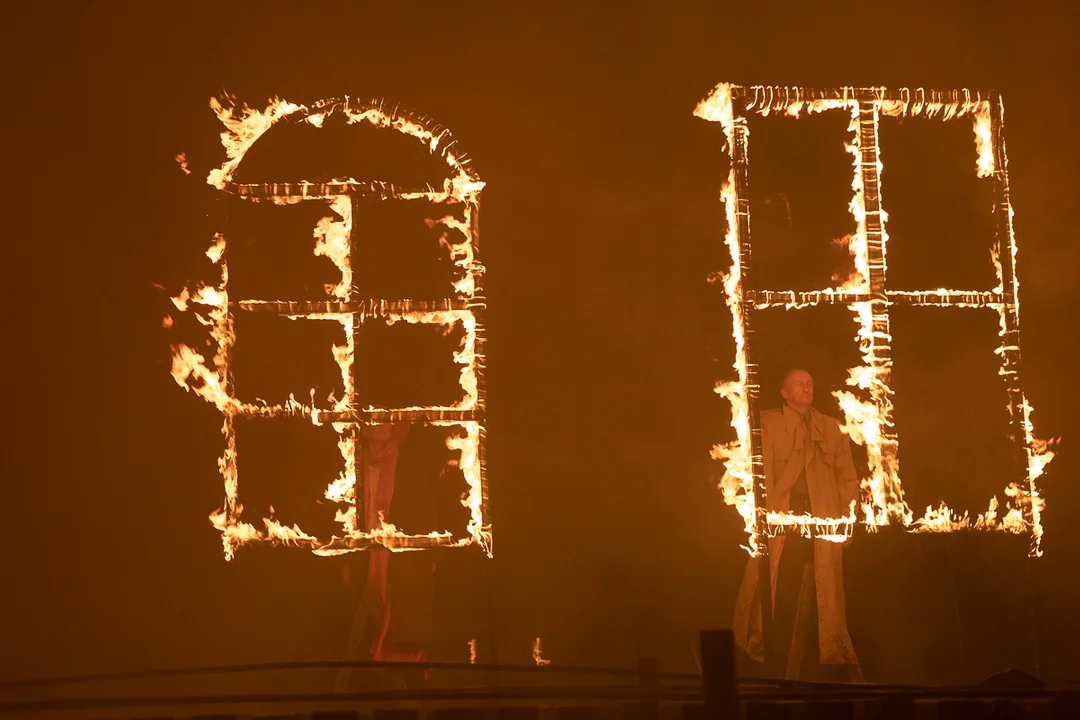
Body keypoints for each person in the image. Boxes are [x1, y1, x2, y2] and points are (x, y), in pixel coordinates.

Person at [732, 368, 862, 680]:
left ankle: (826, 660)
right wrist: (757, 515)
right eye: (797, 384)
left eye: (809, 383)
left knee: (826, 588)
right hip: (779, 519)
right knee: (770, 582)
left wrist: (847, 519)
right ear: (784, 393)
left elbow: (847, 478)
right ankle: (758, 649)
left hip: (822, 521)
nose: (805, 388)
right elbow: (750, 472)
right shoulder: (766, 423)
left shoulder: (831, 428)